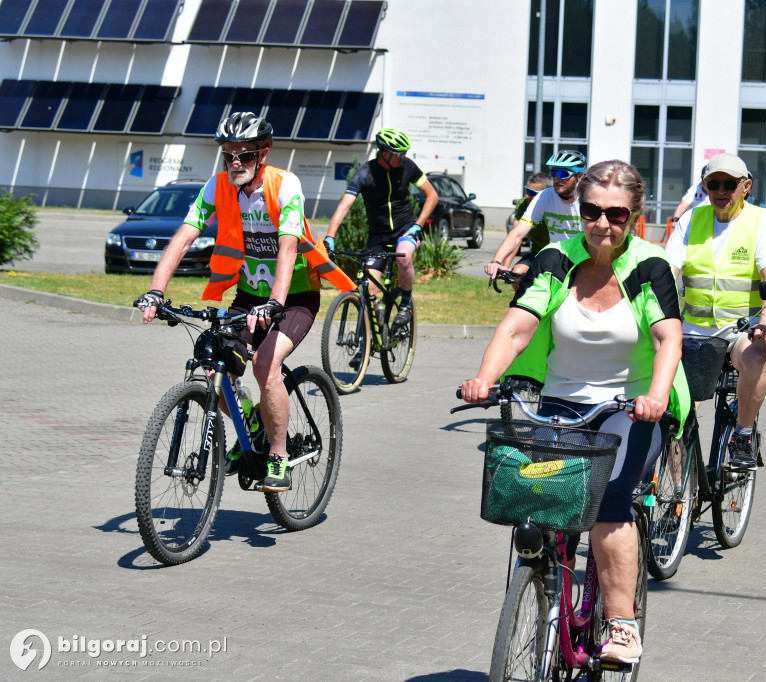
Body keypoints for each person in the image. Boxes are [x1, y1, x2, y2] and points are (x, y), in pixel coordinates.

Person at [462, 160, 689, 664]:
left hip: (632, 407)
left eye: (617, 215)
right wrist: (486, 378)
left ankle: (622, 623)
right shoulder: (553, 259)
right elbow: (518, 325)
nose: (603, 224)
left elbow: (667, 337)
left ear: (634, 216)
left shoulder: (649, 265)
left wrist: (654, 396)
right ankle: (543, 590)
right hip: (563, 401)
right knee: (538, 498)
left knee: (609, 505)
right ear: (579, 209)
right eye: (592, 211)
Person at [134, 112, 354, 492]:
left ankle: (279, 456)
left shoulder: (285, 184)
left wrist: (274, 303)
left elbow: (287, 247)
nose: (235, 163)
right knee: (214, 369)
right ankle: (252, 423)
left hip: (294, 295)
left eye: (245, 155)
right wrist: (156, 290)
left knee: (266, 366)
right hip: (249, 295)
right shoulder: (217, 187)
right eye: (229, 155)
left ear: (262, 154)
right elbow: (184, 237)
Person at [664, 152, 766, 470]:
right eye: (713, 184)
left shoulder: (762, 221)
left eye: (729, 184)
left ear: (745, 186)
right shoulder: (691, 219)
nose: (720, 191)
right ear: (705, 186)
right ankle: (680, 490)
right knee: (671, 406)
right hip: (693, 328)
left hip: (741, 328)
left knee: (757, 354)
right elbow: (668, 271)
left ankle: (744, 433)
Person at [324, 128, 438, 327]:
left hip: (406, 229)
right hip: (378, 237)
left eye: (405, 153)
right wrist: (330, 237)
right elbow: (345, 206)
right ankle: (371, 336)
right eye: (399, 154)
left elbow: (432, 195)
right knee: (368, 289)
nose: (403, 157)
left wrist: (418, 226)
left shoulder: (407, 167)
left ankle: (405, 304)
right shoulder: (365, 174)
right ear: (385, 153)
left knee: (404, 256)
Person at [484, 150, 587, 281]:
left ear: (579, 175)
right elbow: (518, 234)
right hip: (558, 260)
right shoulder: (545, 196)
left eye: (563, 174)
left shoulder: (588, 199)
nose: (557, 179)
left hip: (586, 263)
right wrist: (497, 261)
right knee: (521, 287)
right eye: (554, 173)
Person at [495, 172, 553, 282]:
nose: (527, 195)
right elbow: (517, 236)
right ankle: (520, 299)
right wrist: (506, 267)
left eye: (532, 193)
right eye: (527, 191)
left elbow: (553, 240)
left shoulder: (553, 205)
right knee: (516, 274)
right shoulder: (523, 204)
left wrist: (546, 266)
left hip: (556, 253)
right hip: (537, 252)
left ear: (545, 194)